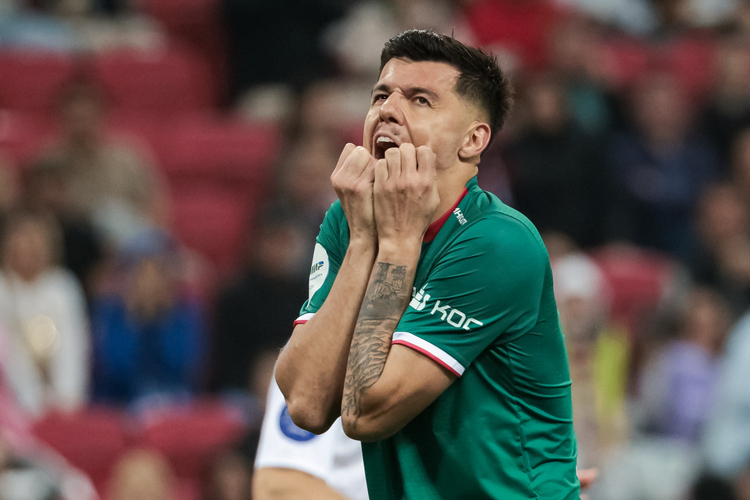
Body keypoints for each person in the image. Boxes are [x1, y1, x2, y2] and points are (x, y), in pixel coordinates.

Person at [275, 29, 579, 499]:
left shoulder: (498, 242)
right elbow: (306, 404)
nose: (388, 110)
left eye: (420, 100)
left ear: (473, 140)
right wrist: (363, 244)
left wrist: (396, 247)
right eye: (381, 95)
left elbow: (364, 412)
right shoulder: (352, 220)